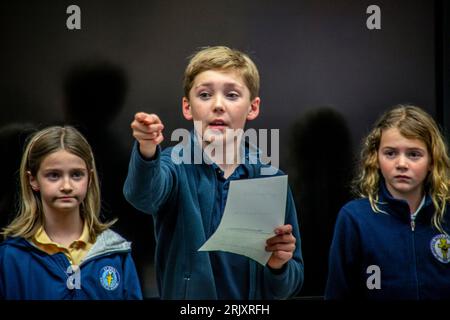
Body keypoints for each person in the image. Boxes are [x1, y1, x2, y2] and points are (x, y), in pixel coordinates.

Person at [123, 46, 304, 299]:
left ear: (253, 107)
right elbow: (143, 195)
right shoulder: (173, 166)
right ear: (187, 107)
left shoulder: (270, 179)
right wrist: (147, 147)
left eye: (231, 95)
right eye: (205, 95)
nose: (218, 105)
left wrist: (278, 264)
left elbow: (289, 284)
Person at [0, 126, 142, 299]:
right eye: (53, 175)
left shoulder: (116, 254)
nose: (66, 186)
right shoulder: (10, 258)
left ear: (89, 178)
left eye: (76, 175)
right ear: (33, 180)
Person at [325, 105, 450, 299]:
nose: (401, 164)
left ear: (432, 160)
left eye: (414, 154)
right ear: (376, 158)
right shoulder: (355, 219)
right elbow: (338, 294)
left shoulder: (446, 215)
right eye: (390, 153)